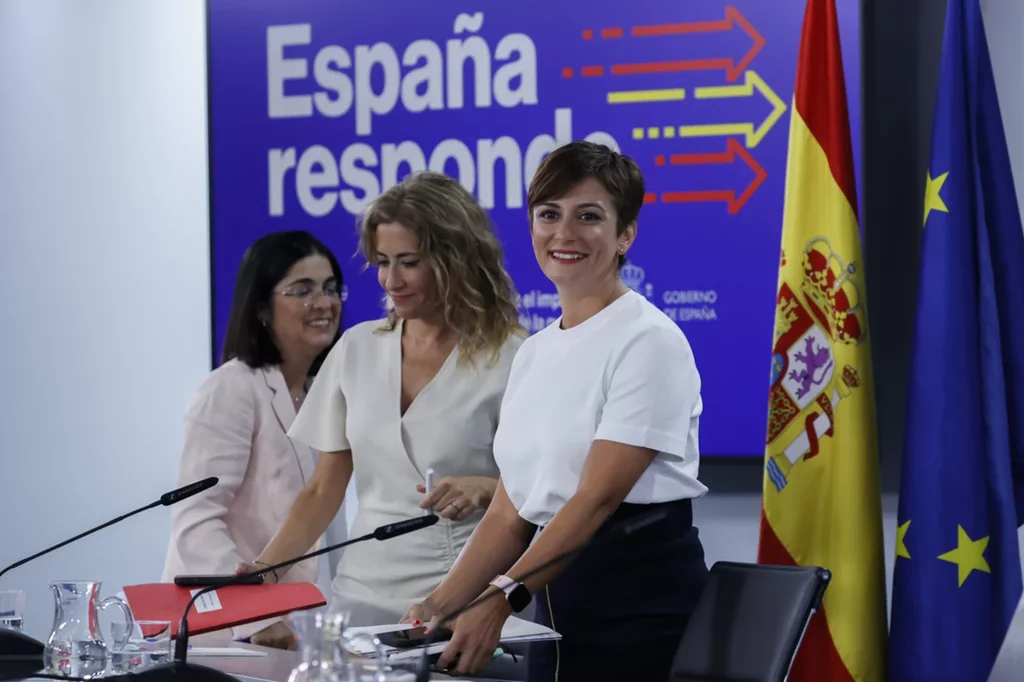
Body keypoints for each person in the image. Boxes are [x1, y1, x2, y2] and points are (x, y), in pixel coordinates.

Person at [405, 141, 710, 681]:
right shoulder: (534, 352)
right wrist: (439, 605)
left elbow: (596, 499)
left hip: (640, 607)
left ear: (625, 235)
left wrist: (500, 601)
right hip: (555, 601)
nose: (564, 233)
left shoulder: (650, 341)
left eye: (588, 216)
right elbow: (510, 512)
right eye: (549, 214)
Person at [239, 171, 525, 631]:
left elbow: (541, 494)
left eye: (408, 261)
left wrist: (488, 487)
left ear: (456, 259)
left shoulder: (513, 357)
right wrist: (265, 571)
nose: (391, 279)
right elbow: (323, 487)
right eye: (382, 261)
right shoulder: (357, 348)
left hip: (466, 600)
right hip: (362, 597)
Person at [162, 230, 344, 649]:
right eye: (302, 290)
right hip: (227, 633)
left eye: (330, 288)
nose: (323, 302)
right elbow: (196, 520)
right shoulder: (231, 389)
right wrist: (252, 615)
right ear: (262, 307)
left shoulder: (326, 389)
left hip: (299, 628)